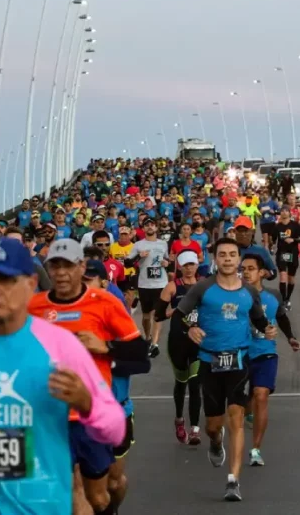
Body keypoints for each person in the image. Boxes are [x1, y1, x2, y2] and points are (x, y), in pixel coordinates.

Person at [0, 238, 126, 515]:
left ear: (30, 284)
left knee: (97, 499)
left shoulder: (60, 345)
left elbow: (115, 428)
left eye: (5, 280)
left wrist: (88, 404)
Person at [29, 239, 148, 515]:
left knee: (98, 498)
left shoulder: (104, 303)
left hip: (90, 417)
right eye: (54, 266)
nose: (60, 273)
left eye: (67, 266)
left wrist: (105, 347)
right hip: (50, 418)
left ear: (81, 267)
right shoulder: (34, 308)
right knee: (68, 496)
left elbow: (140, 352)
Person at [173, 238, 276, 502]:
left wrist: (267, 328)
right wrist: (191, 328)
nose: (228, 259)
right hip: (209, 361)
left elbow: (257, 317)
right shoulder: (203, 288)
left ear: (239, 259)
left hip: (240, 360)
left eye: (232, 254)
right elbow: (180, 313)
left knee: (236, 417)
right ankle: (216, 442)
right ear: (215, 259)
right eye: (223, 255)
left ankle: (233, 481)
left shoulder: (248, 292)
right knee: (213, 425)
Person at [82, 259, 150, 512]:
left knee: (112, 484)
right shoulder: (65, 319)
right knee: (79, 488)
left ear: (104, 282)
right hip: (76, 415)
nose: (82, 285)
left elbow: (142, 363)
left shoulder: (115, 315)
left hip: (115, 412)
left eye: (88, 279)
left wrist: (106, 352)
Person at [240, 254, 300, 467]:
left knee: (261, 394)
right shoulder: (234, 295)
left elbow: (281, 317)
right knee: (241, 404)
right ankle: (246, 411)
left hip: (265, 352)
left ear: (262, 273)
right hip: (239, 353)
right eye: (243, 269)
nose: (246, 272)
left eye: (250, 268)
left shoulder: (273, 295)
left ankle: (255, 449)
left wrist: (291, 337)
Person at [154, 250, 202, 445]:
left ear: (197, 265)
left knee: (195, 384)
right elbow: (157, 315)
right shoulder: (172, 287)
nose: (189, 268)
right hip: (177, 342)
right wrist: (172, 312)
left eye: (192, 264)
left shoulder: (203, 286)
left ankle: (195, 430)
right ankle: (179, 419)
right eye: (186, 265)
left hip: (198, 342)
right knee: (181, 384)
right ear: (180, 267)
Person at [125, 217, 169, 356]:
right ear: (143, 229)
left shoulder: (163, 244)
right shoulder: (138, 245)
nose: (150, 227)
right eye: (147, 225)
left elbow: (167, 260)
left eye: (152, 224)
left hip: (161, 283)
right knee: (145, 316)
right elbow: (127, 264)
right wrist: (139, 256)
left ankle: (154, 344)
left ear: (156, 228)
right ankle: (148, 337)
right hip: (144, 284)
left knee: (157, 314)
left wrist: (166, 264)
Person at [272, 206, 300, 310]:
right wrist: (271, 243)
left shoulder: (295, 225)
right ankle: (283, 300)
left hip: (293, 253)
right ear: (280, 214)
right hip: (281, 253)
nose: (284, 213)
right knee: (283, 276)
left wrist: (294, 240)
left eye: (286, 211)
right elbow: (273, 240)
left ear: (289, 213)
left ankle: (288, 298)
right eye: (282, 211)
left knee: (291, 279)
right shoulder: (277, 226)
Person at [233, 216, 277, 281]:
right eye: (240, 231)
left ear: (252, 232)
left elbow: (273, 272)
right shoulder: (228, 251)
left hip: (253, 290)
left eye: (246, 231)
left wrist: (266, 273)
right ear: (234, 232)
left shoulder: (260, 251)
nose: (243, 234)